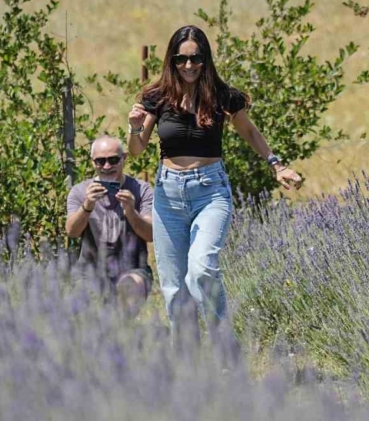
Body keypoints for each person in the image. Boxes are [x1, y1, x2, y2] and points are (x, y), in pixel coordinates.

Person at [127, 25, 303, 344]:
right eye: (181, 59)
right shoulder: (157, 98)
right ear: (172, 60)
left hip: (210, 191)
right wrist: (135, 127)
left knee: (201, 268)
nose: (189, 65)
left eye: (196, 58)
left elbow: (249, 131)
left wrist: (276, 165)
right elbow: (136, 150)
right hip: (169, 194)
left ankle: (223, 343)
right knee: (174, 286)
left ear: (205, 59)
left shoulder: (223, 96)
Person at [65, 136, 154, 311]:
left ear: (124, 158)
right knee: (82, 307)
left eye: (113, 160)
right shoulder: (80, 192)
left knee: (129, 287)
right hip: (89, 272)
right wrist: (87, 206)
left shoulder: (141, 190)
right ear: (93, 162)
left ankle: (122, 326)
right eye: (100, 161)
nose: (107, 166)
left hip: (133, 268)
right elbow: (72, 231)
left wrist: (131, 211)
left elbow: (151, 234)